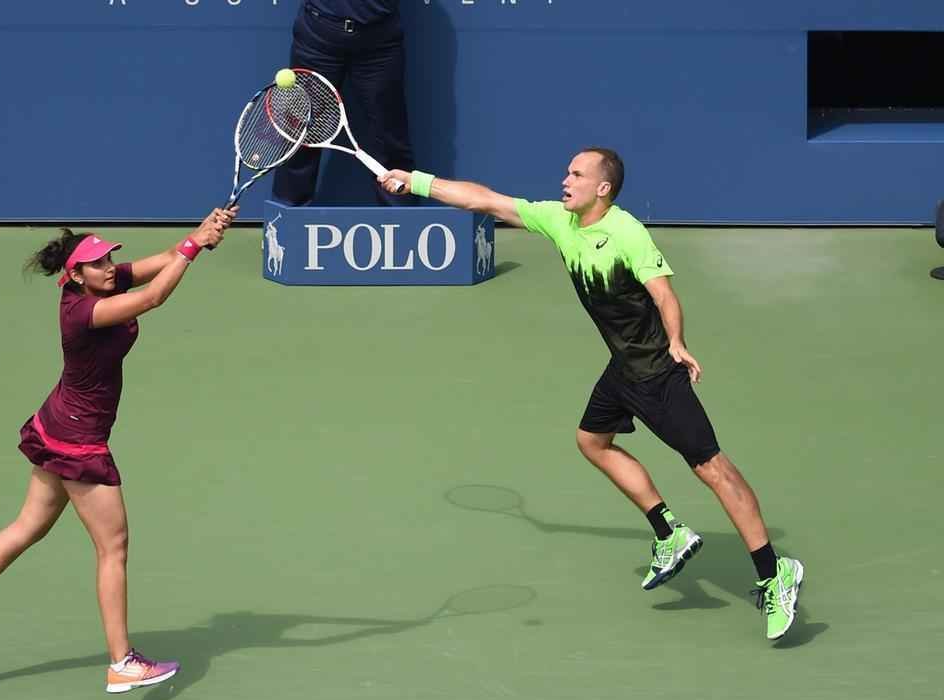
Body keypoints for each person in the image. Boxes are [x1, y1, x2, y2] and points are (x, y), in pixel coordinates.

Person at [378, 152, 805, 641]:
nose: (565, 180)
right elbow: (486, 201)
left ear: (603, 189)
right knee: (592, 441)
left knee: (713, 469)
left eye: (577, 174)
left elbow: (664, 294)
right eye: (567, 172)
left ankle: (775, 572)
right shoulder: (560, 222)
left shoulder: (626, 233)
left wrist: (677, 342)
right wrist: (416, 181)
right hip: (622, 369)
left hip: (656, 374)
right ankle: (670, 532)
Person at [0, 206, 237, 692]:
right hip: (78, 440)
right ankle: (122, 661)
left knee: (29, 526)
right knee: (113, 547)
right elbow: (154, 296)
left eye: (110, 258)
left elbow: (160, 261)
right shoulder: (85, 312)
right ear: (75, 275)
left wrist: (198, 234)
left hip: (57, 422)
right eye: (98, 263)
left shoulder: (100, 284)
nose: (110, 267)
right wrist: (194, 249)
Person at [273, 0, 414, 207]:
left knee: (389, 141)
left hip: (380, 40)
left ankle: (402, 222)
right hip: (317, 37)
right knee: (300, 137)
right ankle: (285, 218)